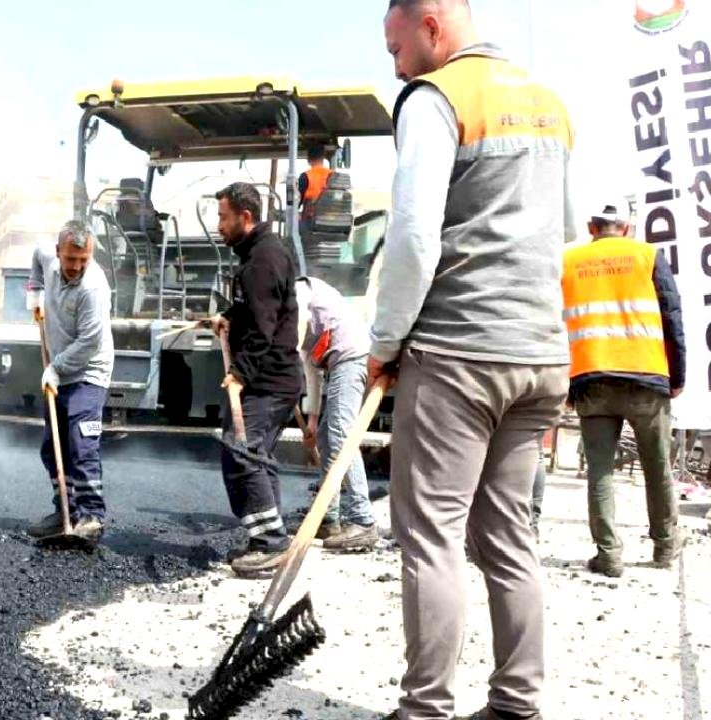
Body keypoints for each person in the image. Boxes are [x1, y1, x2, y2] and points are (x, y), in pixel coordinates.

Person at [376, 1, 574, 718]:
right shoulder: (548, 104)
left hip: (460, 352)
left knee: (430, 534)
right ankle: (517, 703)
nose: (395, 66)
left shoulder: (435, 99)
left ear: (432, 26)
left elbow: (413, 236)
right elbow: (566, 236)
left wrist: (386, 342)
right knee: (508, 536)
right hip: (540, 357)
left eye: (396, 47)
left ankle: (424, 707)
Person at [562, 201, 686, 577]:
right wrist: (678, 374)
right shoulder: (648, 255)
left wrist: (565, 384)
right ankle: (665, 547)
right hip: (646, 377)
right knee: (657, 465)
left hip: (591, 377)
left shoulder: (569, 262)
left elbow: (554, 321)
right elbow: (672, 314)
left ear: (591, 226)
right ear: (627, 228)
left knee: (599, 472)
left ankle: (609, 555)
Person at [207, 182, 303, 577]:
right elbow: (256, 306)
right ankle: (270, 537)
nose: (219, 225)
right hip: (275, 378)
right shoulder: (260, 254)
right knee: (256, 456)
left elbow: (264, 328)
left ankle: (270, 544)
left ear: (245, 217)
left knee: (240, 452)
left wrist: (238, 375)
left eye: (223, 217)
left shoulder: (263, 259)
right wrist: (229, 314)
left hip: (269, 379)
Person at [23, 221, 114, 545]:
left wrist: (57, 367)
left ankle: (90, 516)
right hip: (60, 370)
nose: (76, 266)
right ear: (59, 251)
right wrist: (35, 289)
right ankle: (65, 512)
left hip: (88, 371)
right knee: (53, 446)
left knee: (80, 443)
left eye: (84, 260)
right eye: (71, 259)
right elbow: (36, 254)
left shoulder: (93, 287)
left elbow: (90, 341)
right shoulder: (47, 256)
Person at [295, 276, 378, 551]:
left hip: (352, 358)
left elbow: (299, 322)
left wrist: (284, 348)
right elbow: (312, 374)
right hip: (338, 363)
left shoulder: (299, 289)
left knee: (343, 435)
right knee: (327, 439)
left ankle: (362, 520)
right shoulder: (306, 329)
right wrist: (312, 421)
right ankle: (328, 518)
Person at [297, 144, 334, 228]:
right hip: (330, 219)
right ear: (323, 158)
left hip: (310, 220)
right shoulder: (333, 175)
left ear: (308, 159)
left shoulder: (305, 176)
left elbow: (297, 201)